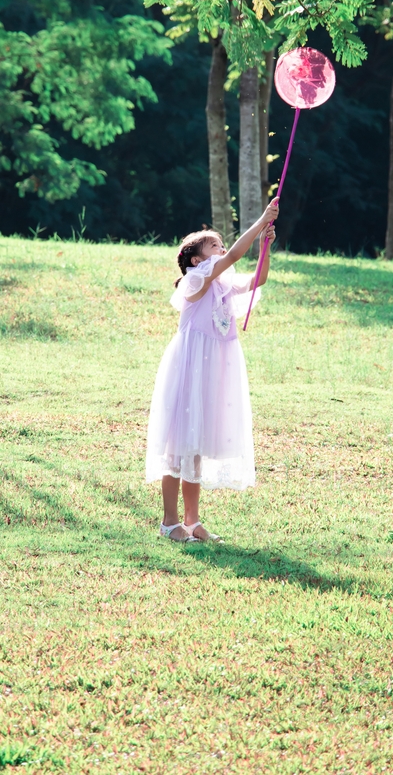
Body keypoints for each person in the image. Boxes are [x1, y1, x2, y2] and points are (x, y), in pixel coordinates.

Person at [146, 198, 280, 541]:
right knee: (178, 445)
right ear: (197, 260)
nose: (222, 248)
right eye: (214, 245)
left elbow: (259, 279)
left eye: (221, 243)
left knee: (196, 445)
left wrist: (265, 244)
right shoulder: (195, 281)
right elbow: (236, 255)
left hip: (212, 372)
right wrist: (261, 219)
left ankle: (192, 521)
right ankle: (169, 522)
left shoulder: (222, 286)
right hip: (189, 368)